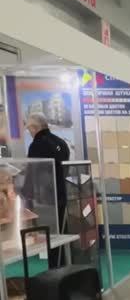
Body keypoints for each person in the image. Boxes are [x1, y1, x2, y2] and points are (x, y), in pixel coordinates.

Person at [26, 112, 70, 266]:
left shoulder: (37, 145)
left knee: (50, 238)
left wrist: (25, 195)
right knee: (61, 236)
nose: (29, 133)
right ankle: (63, 268)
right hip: (62, 196)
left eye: (29, 129)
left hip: (46, 200)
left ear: (35, 127)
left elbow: (32, 173)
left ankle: (55, 271)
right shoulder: (61, 143)